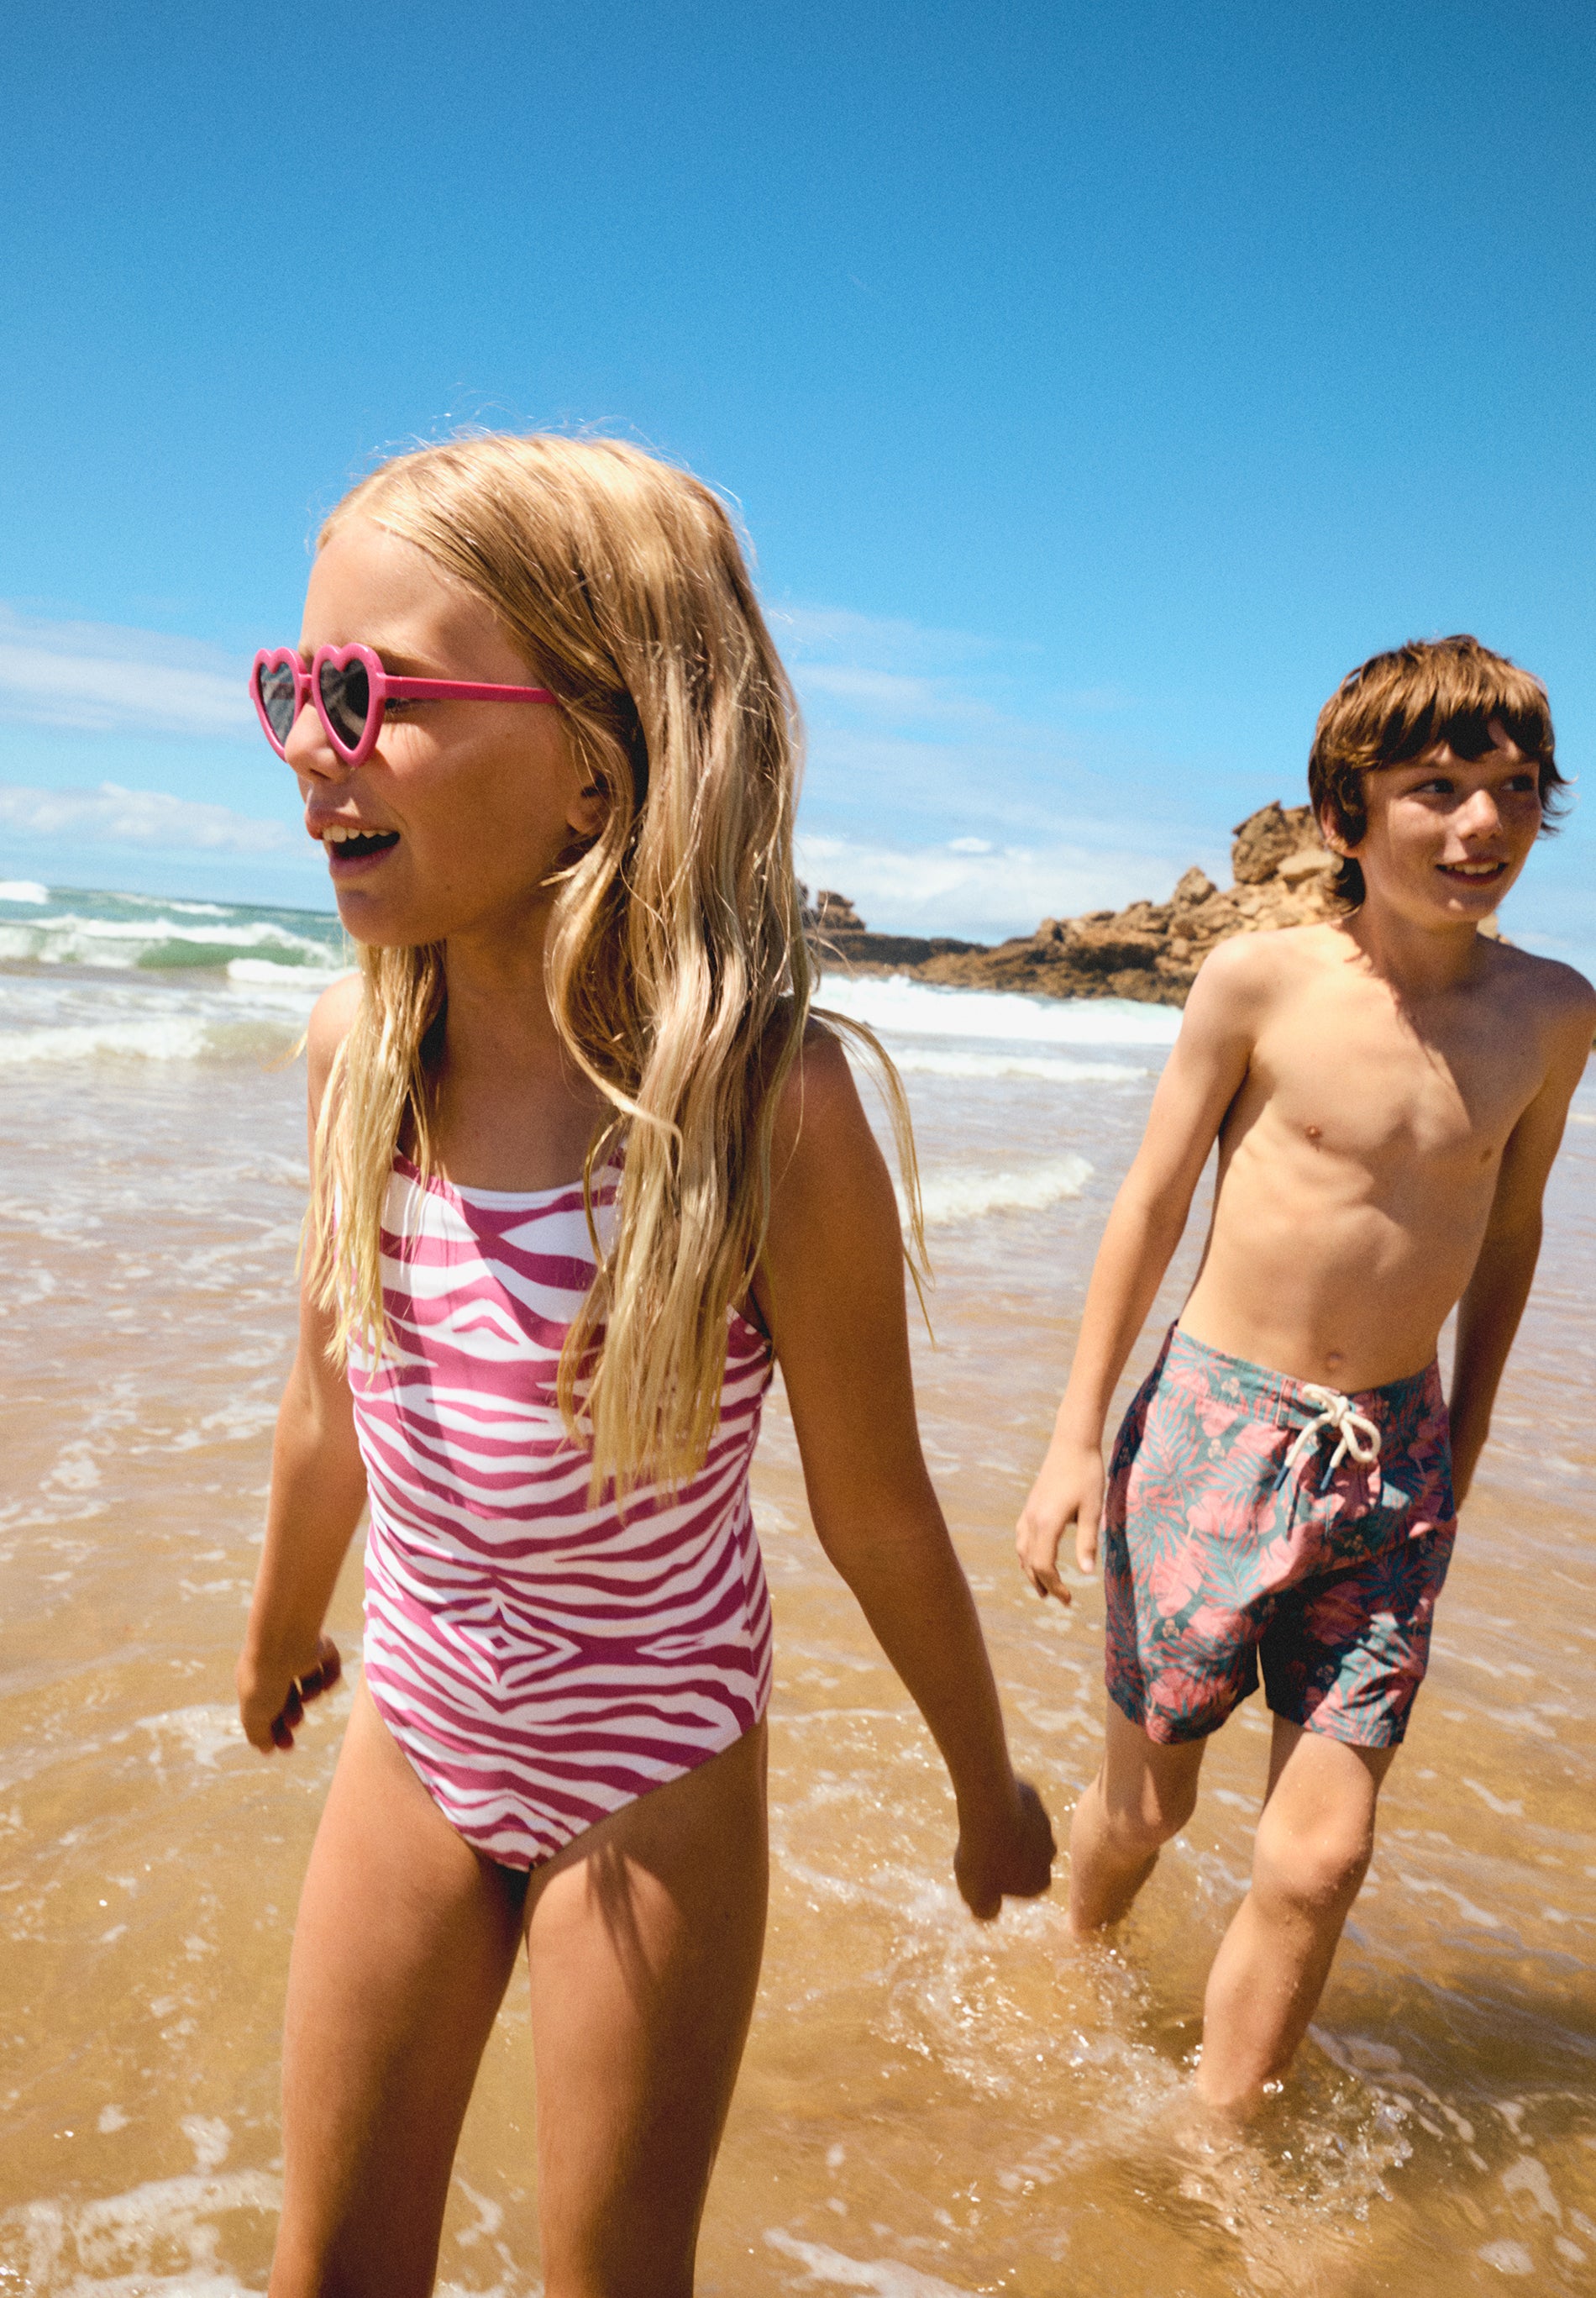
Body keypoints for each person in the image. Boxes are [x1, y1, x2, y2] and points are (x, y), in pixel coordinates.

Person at [236, 434, 1054, 2298]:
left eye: (367, 693)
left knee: (612, 2275)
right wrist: (281, 1626)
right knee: (328, 2267)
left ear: (595, 757)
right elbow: (327, 1403)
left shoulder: (759, 1110)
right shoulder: (351, 1063)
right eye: (289, 686)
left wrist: (984, 1787)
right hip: (422, 1733)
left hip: (655, 1766)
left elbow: (873, 1507)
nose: (307, 741)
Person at [1016, 634, 1593, 2114]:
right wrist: (1076, 1440)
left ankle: (1224, 2141)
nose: (1482, 826)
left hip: (1391, 1459)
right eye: (1436, 788)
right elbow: (1149, 1209)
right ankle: (1065, 1965)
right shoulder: (1258, 983)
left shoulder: (1552, 1012)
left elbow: (1512, 1224)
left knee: (1320, 1856)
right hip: (1211, 1437)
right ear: (1345, 816)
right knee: (1147, 1812)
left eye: (1517, 790)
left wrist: (1457, 1441)